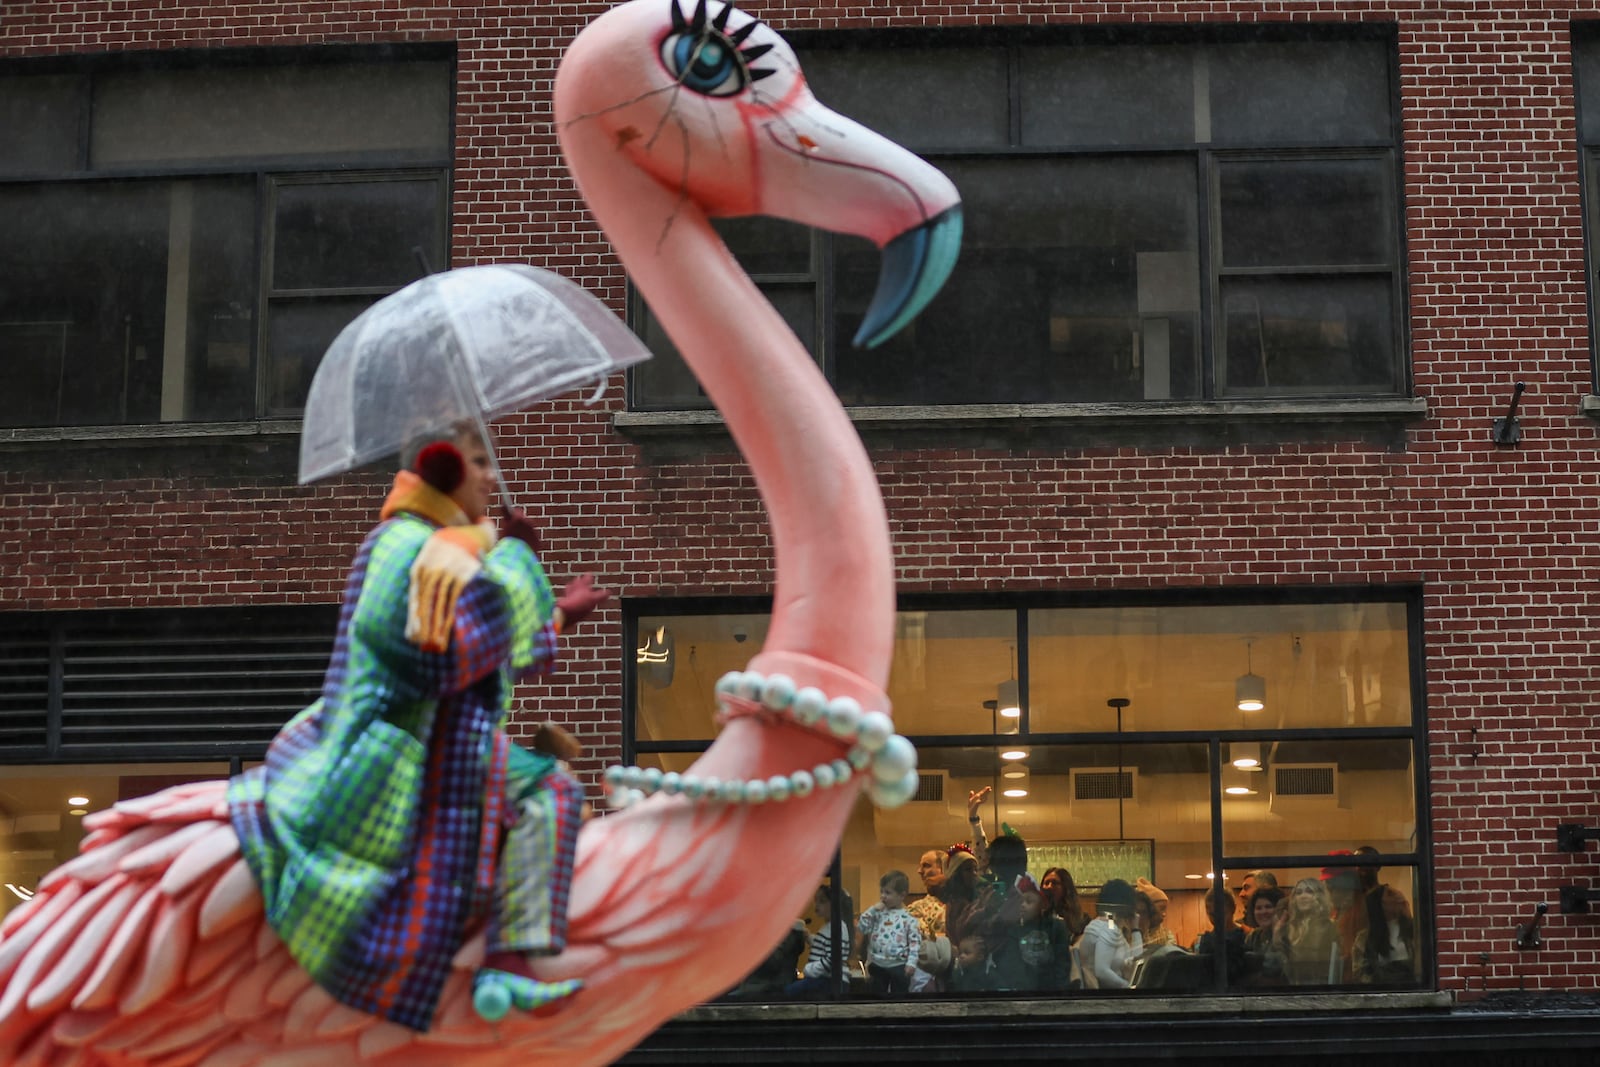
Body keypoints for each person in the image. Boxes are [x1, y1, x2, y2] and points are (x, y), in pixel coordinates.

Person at [228, 423, 609, 1031]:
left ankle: (507, 961)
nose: (492, 476)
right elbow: (445, 656)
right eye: (478, 461)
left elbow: (491, 650)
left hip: (441, 740)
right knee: (552, 790)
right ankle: (505, 959)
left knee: (553, 792)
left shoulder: (447, 549)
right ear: (440, 468)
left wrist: (557, 613)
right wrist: (516, 561)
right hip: (398, 753)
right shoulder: (403, 548)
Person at [992, 874, 1076, 992]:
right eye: (1021, 901)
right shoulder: (1014, 930)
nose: (1022, 905)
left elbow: (1062, 962)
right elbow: (1013, 964)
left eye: (1029, 901)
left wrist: (1060, 990)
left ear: (1043, 905)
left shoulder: (1056, 927)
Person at [857, 870, 922, 995]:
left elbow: (915, 943)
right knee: (876, 995)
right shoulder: (877, 914)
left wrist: (911, 962)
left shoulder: (908, 919)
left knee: (899, 995)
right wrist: (872, 910)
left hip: (899, 965)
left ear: (902, 895)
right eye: (881, 891)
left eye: (888, 892)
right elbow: (862, 927)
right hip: (877, 964)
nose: (883, 896)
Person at [788, 884, 854, 998]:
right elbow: (826, 947)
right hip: (826, 979)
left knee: (789, 992)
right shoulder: (830, 927)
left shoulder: (837, 927)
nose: (817, 905)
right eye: (816, 901)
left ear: (834, 904)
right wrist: (809, 937)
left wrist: (809, 969)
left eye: (822, 901)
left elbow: (833, 958)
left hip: (829, 981)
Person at [1077, 879, 1144, 990]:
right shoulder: (1108, 929)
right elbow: (1101, 970)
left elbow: (1135, 963)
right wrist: (1128, 987)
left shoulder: (1103, 925)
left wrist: (1135, 930)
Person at [1352, 883, 1417, 985]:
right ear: (1379, 905)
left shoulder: (1416, 930)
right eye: (1391, 894)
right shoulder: (1364, 939)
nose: (1399, 895)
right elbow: (1360, 974)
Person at [1281, 877, 1341, 986]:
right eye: (1298, 893)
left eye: (1309, 891)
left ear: (1319, 896)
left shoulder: (1330, 927)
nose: (1303, 896)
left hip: (1321, 989)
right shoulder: (1287, 928)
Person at [907, 849, 951, 991]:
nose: (920, 871)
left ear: (943, 868)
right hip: (927, 981)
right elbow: (921, 943)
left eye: (926, 865)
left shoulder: (962, 904)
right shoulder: (916, 908)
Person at [1193, 885, 1246, 986]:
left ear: (1233, 909)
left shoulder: (1246, 935)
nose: (1217, 919)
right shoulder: (1203, 940)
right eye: (1212, 915)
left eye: (1221, 913)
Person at [1243, 886, 1287, 985]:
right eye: (1258, 908)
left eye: (1268, 907)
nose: (1263, 912)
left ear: (1279, 909)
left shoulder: (1288, 935)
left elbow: (1276, 968)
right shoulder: (1253, 936)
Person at [1041, 866, 1091, 940]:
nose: (1049, 886)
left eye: (1055, 883)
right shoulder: (1036, 917)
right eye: (1046, 883)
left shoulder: (1083, 920)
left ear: (1066, 888)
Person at [1134, 878, 1175, 951]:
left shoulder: (1167, 936)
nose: (1164, 914)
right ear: (1150, 908)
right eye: (1161, 908)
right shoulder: (1131, 935)